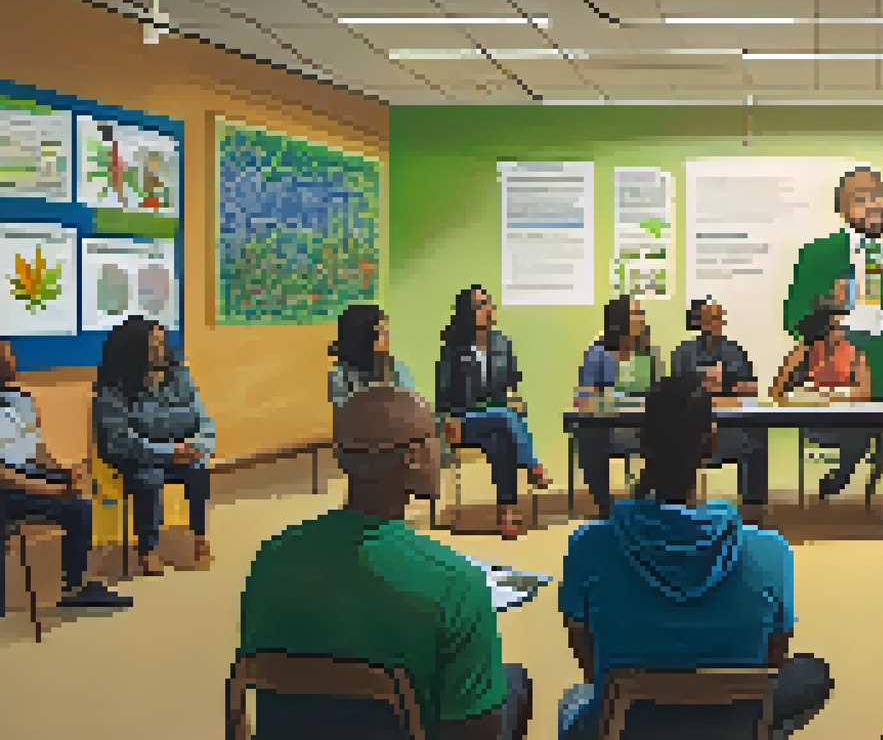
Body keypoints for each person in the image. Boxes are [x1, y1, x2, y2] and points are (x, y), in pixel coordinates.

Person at [238, 387, 533, 740]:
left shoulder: (270, 559)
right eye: (435, 437)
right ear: (412, 458)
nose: (444, 450)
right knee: (514, 683)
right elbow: (476, 730)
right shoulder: (456, 582)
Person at [556, 372, 833, 740]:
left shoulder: (588, 547)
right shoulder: (771, 551)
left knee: (574, 699)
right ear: (711, 446)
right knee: (810, 674)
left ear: (642, 443)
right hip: (730, 727)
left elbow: (589, 664)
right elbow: (773, 660)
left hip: (627, 727)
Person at [783, 166, 883, 401]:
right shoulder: (816, 254)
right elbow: (793, 319)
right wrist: (828, 305)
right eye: (860, 199)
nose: (873, 204)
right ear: (841, 210)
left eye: (878, 195)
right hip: (838, 384)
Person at [0, 340, 133, 609]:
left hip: (26, 473)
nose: (12, 361)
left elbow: (37, 450)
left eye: (10, 354)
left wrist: (64, 470)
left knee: (80, 500)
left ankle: (76, 585)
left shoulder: (21, 399)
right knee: (72, 505)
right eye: (5, 357)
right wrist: (53, 490)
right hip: (7, 486)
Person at [93, 316, 214, 577]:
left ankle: (200, 537)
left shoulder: (179, 374)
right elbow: (121, 440)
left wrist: (197, 446)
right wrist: (169, 451)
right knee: (149, 476)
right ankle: (147, 548)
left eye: (162, 342)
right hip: (132, 455)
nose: (161, 349)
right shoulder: (111, 387)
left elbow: (203, 419)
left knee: (198, 467)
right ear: (135, 350)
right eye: (153, 344)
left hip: (177, 450)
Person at [436, 286, 549, 539]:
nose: (487, 310)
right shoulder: (453, 349)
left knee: (502, 439)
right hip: (463, 421)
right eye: (480, 306)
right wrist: (449, 423)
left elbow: (511, 387)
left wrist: (516, 401)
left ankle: (506, 514)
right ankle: (533, 465)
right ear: (467, 313)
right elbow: (442, 395)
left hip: (496, 422)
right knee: (504, 417)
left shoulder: (503, 344)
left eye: (488, 303)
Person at [771, 297, 883, 501]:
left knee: (878, 432)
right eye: (835, 327)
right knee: (860, 437)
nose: (840, 332)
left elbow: (865, 392)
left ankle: (840, 480)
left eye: (842, 327)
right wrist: (805, 397)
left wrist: (829, 396)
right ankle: (836, 481)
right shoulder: (801, 353)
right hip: (814, 424)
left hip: (847, 422)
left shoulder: (853, 353)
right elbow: (777, 392)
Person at [671, 296, 771, 524]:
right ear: (699, 321)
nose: (716, 323)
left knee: (756, 439)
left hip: (728, 428)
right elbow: (674, 387)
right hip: (691, 430)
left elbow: (751, 387)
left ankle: (753, 514)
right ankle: (676, 511)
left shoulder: (734, 351)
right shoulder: (683, 352)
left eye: (719, 318)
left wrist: (724, 385)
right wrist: (709, 386)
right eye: (711, 318)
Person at [574, 296, 664, 520]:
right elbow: (583, 399)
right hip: (610, 428)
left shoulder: (650, 353)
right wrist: (608, 401)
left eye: (641, 313)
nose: (641, 318)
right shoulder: (597, 353)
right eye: (635, 314)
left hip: (645, 428)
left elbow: (664, 392)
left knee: (671, 435)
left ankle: (642, 498)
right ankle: (606, 508)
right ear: (619, 320)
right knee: (587, 434)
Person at [328, 304, 414, 408]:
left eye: (386, 331)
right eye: (380, 331)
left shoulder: (395, 368)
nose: (387, 336)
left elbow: (409, 406)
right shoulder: (339, 376)